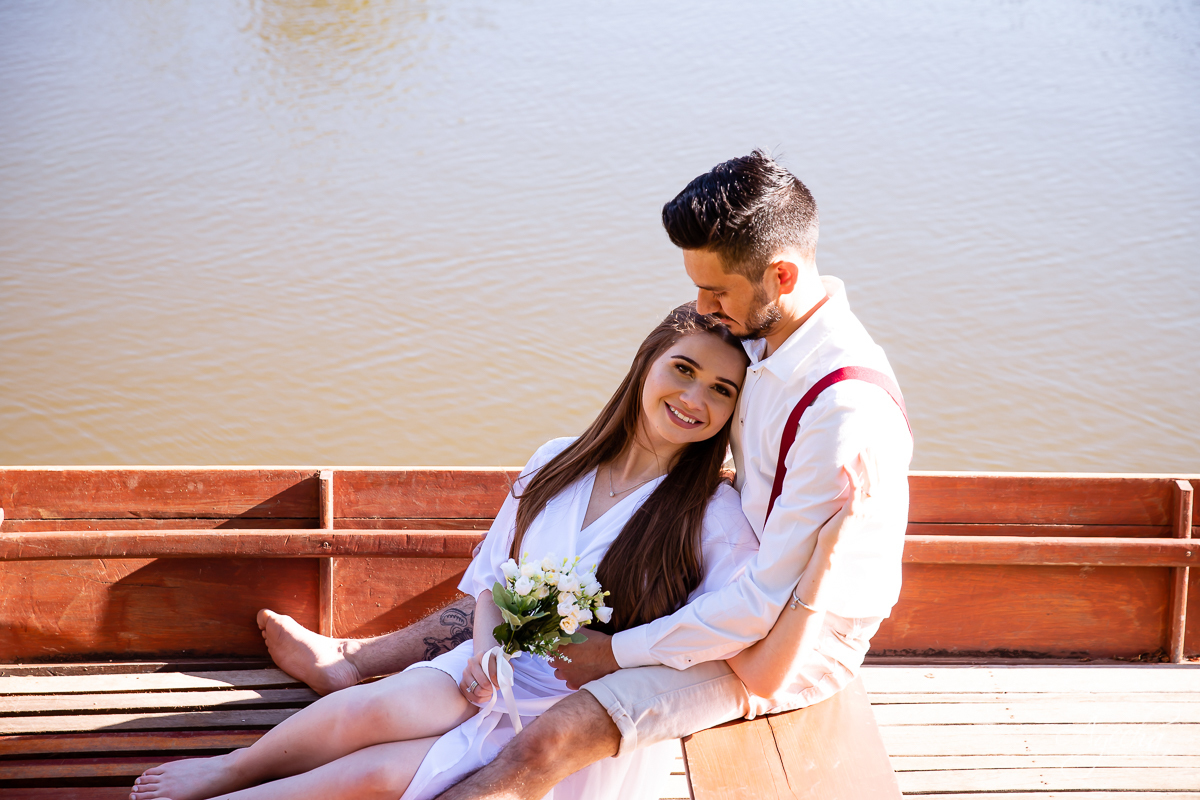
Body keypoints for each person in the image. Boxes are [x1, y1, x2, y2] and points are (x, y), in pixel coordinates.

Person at [238, 149, 913, 800]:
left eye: (716, 289)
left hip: (795, 637)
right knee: (521, 589)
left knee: (551, 737)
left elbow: (763, 609)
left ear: (784, 276)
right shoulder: (769, 336)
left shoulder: (839, 415)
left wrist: (611, 655)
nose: (703, 304)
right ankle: (355, 667)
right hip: (751, 589)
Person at [129, 303, 761, 800]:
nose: (694, 399)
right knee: (372, 706)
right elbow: (494, 582)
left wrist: (609, 661)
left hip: (583, 707)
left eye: (721, 390)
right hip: (499, 661)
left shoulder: (714, 515)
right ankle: (233, 769)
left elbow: (714, 638)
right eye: (683, 368)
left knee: (375, 775)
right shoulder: (556, 462)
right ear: (647, 362)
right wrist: (485, 649)